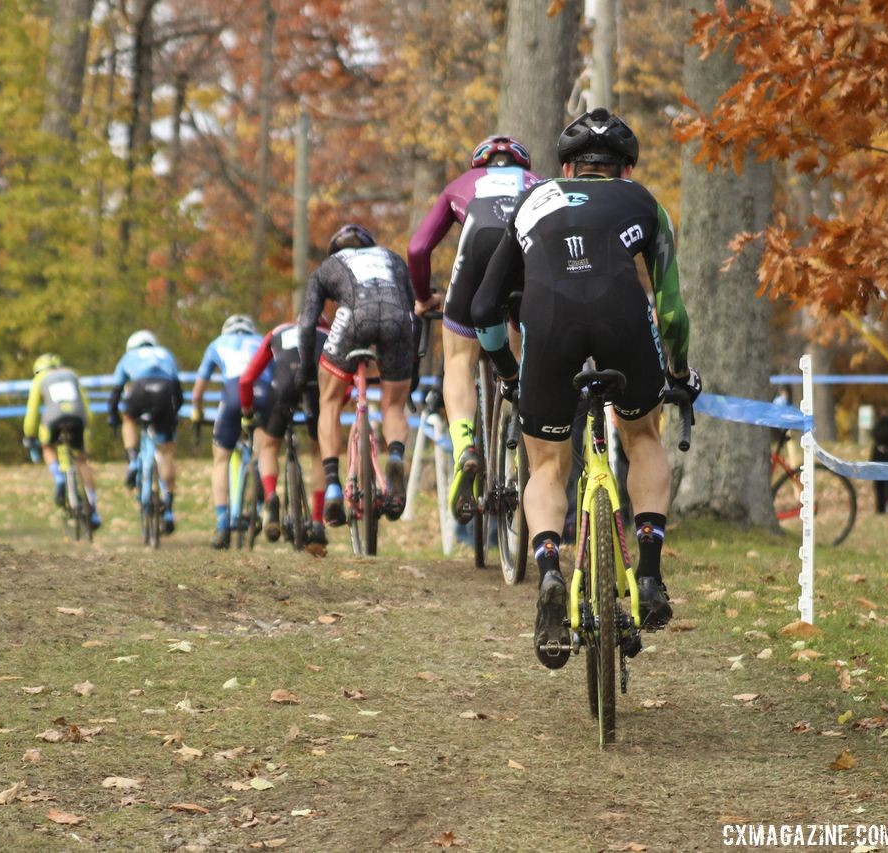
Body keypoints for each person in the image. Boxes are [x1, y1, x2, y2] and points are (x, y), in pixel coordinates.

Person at [470, 108, 702, 669]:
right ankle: (647, 571)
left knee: (547, 466)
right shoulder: (645, 202)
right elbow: (671, 310)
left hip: (548, 328)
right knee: (643, 438)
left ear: (568, 167)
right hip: (623, 319)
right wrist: (678, 373)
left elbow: (483, 311)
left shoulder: (535, 200)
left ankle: (549, 567)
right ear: (625, 171)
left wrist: (508, 373)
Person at [407, 136, 541, 523]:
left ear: (480, 166)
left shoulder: (462, 185)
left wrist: (422, 297)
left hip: (477, 249)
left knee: (458, 361)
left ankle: (466, 444)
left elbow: (418, 249)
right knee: (520, 359)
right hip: (527, 255)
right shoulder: (540, 184)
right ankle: (525, 456)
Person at [296, 224, 438, 527]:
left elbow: (307, 323)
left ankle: (333, 484)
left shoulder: (328, 266)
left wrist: (308, 373)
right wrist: (409, 374)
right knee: (393, 405)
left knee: (330, 401)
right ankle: (396, 459)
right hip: (398, 318)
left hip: (353, 317)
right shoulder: (392, 258)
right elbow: (417, 309)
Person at [239, 315, 331, 547]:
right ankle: (318, 521)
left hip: (283, 384)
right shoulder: (329, 335)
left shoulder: (277, 331)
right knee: (319, 452)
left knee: (269, 446)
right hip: (316, 386)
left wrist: (248, 411)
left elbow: (246, 379)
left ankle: (270, 497)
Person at [191, 315, 269, 549]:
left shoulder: (217, 343)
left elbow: (197, 391)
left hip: (234, 394)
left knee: (221, 459)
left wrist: (197, 412)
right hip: (264, 394)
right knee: (264, 451)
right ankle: (258, 505)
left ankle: (222, 523)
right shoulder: (263, 340)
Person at [108, 330, 184, 534]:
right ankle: (167, 507)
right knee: (166, 452)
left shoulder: (128, 357)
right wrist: (173, 414)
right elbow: (178, 390)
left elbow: (116, 393)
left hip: (139, 390)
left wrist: (113, 416)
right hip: (165, 391)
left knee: (129, 419)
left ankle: (133, 460)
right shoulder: (165, 354)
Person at [23, 353, 100, 530]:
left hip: (53, 419)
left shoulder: (39, 379)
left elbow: (32, 411)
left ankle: (58, 477)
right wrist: (87, 424)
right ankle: (93, 507)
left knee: (48, 446)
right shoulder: (72, 374)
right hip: (77, 417)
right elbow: (86, 406)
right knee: (81, 460)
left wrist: (29, 435)